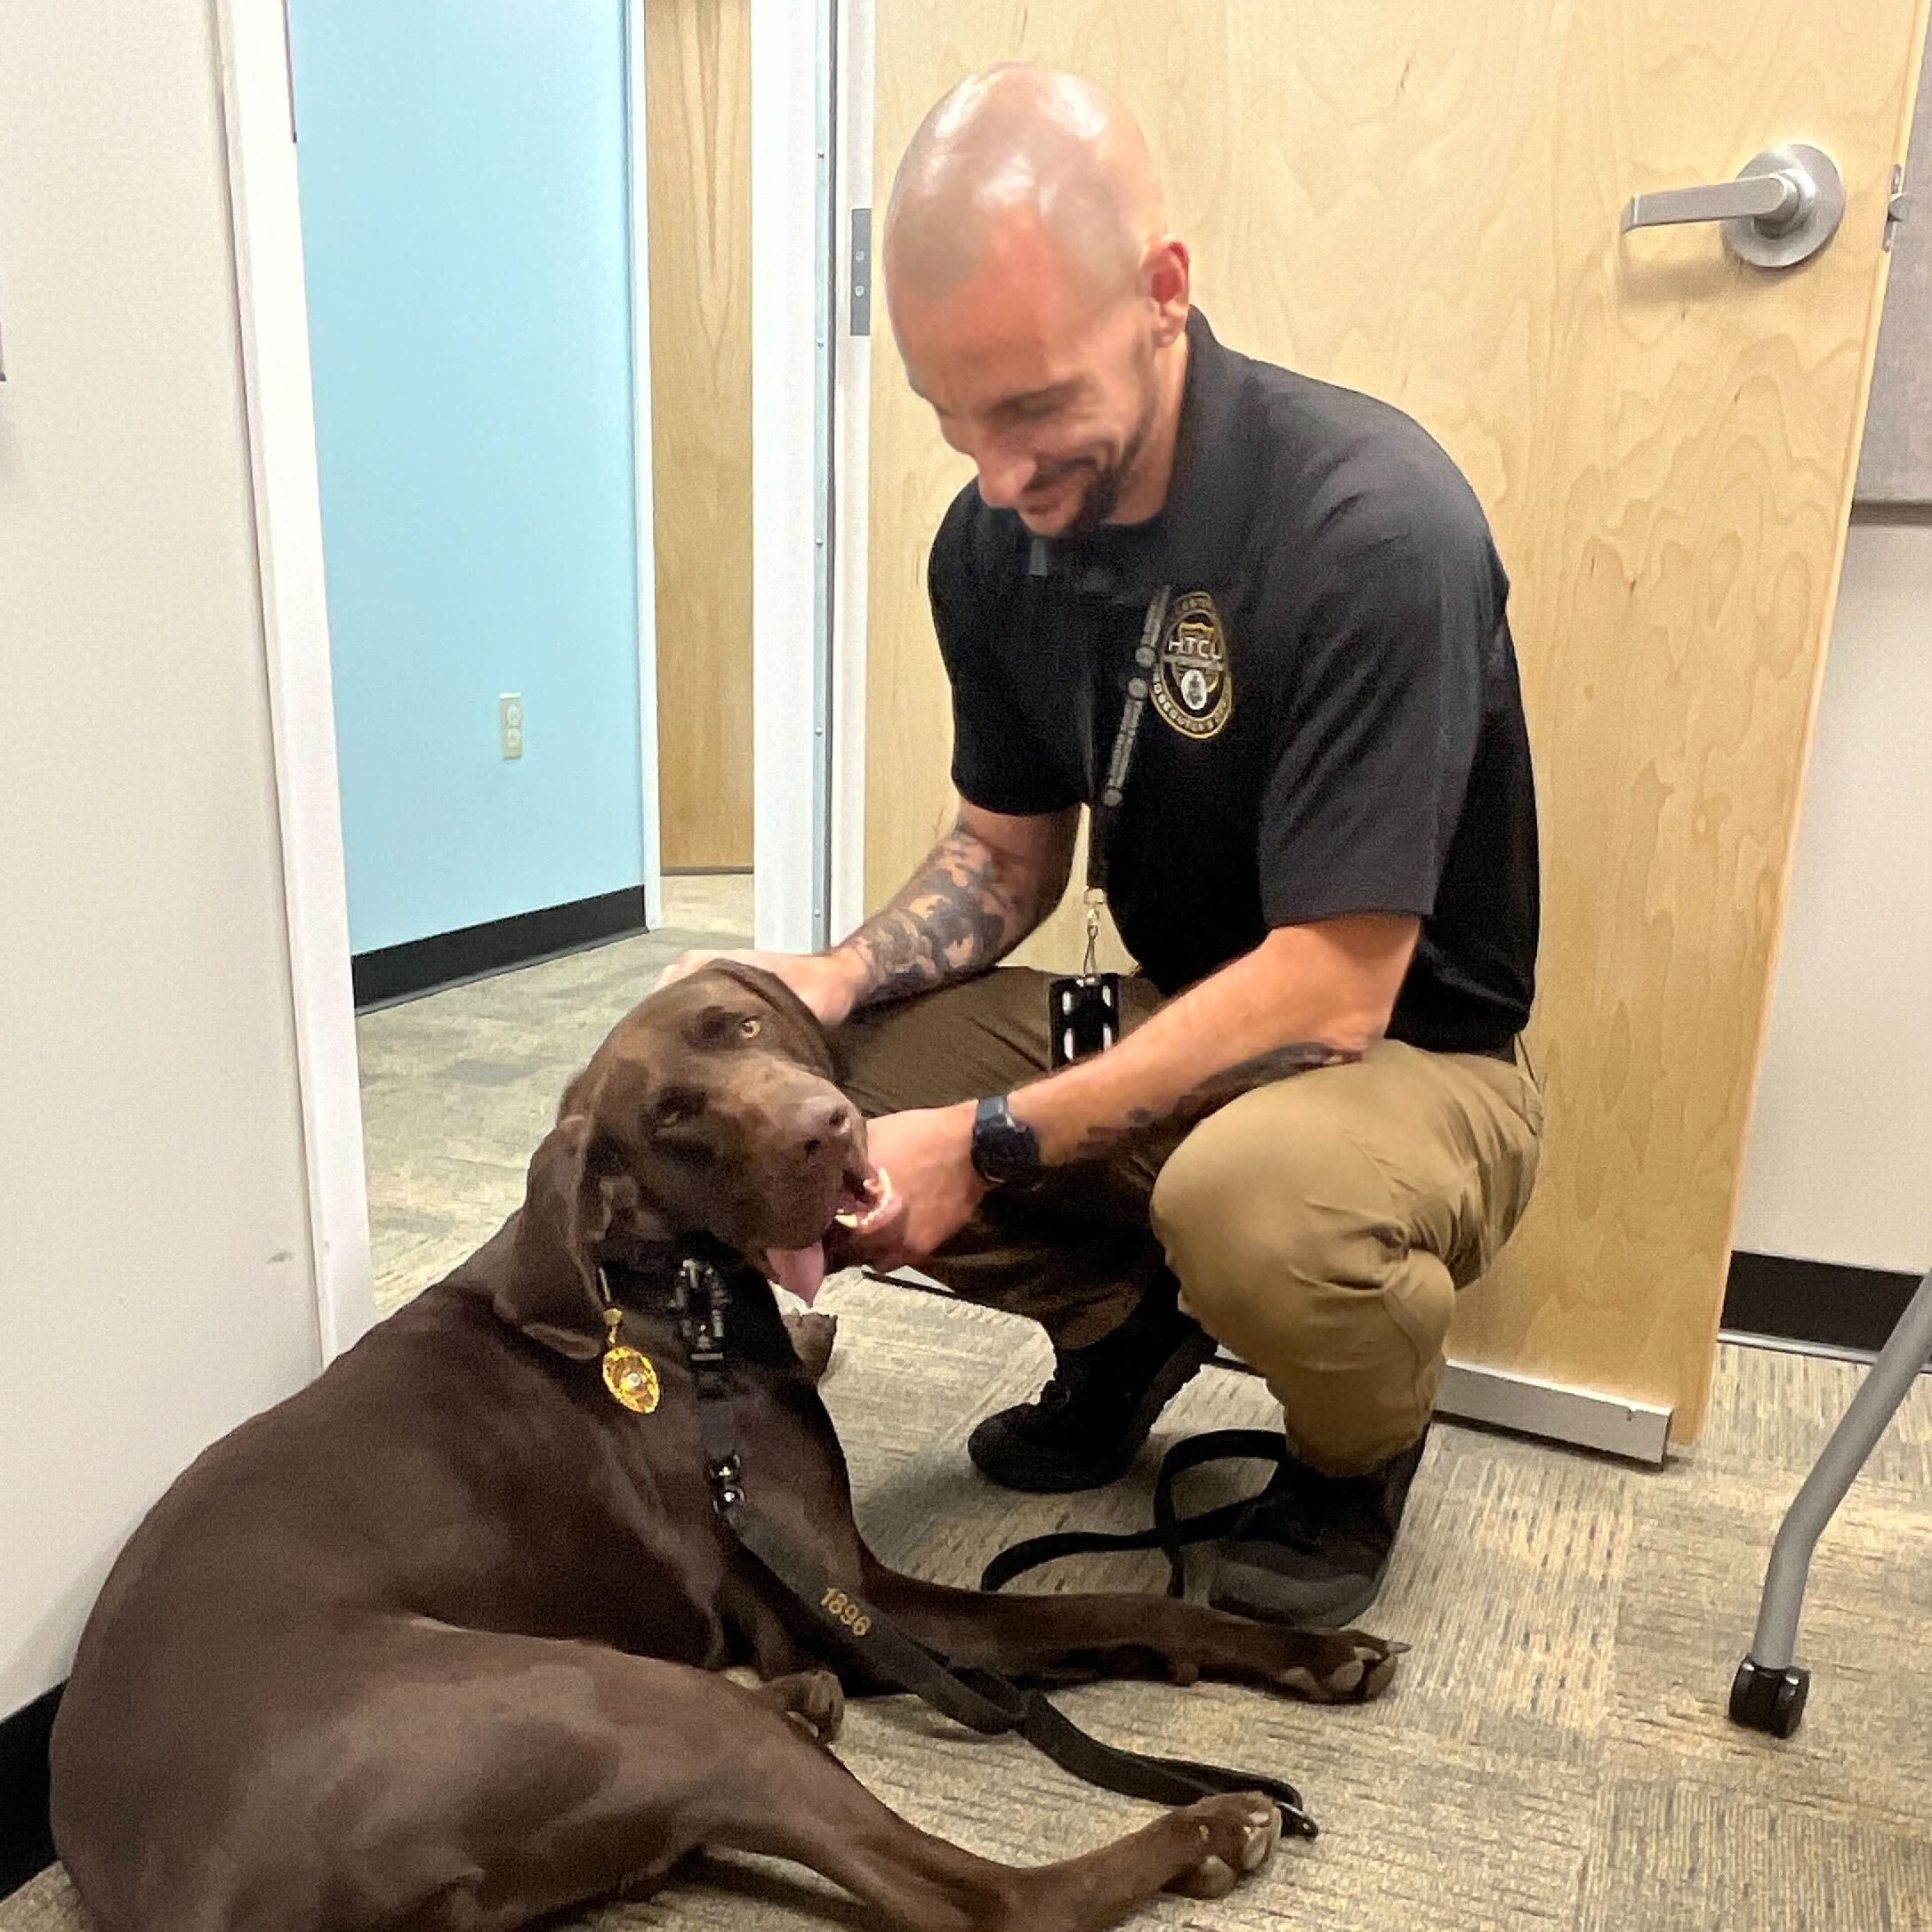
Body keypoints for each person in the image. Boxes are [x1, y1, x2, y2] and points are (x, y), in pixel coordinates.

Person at [664, 62, 1543, 1627]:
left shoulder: (1370, 526)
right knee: (809, 1095)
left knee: (1257, 1210)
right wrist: (832, 975)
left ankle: (1353, 1459)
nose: (998, 475)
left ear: (1164, 296)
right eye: (951, 419)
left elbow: (1337, 986)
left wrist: (995, 1139)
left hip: (1408, 1056)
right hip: (1185, 1012)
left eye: (1032, 407)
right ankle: (1123, 1323)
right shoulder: (995, 542)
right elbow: (1008, 859)